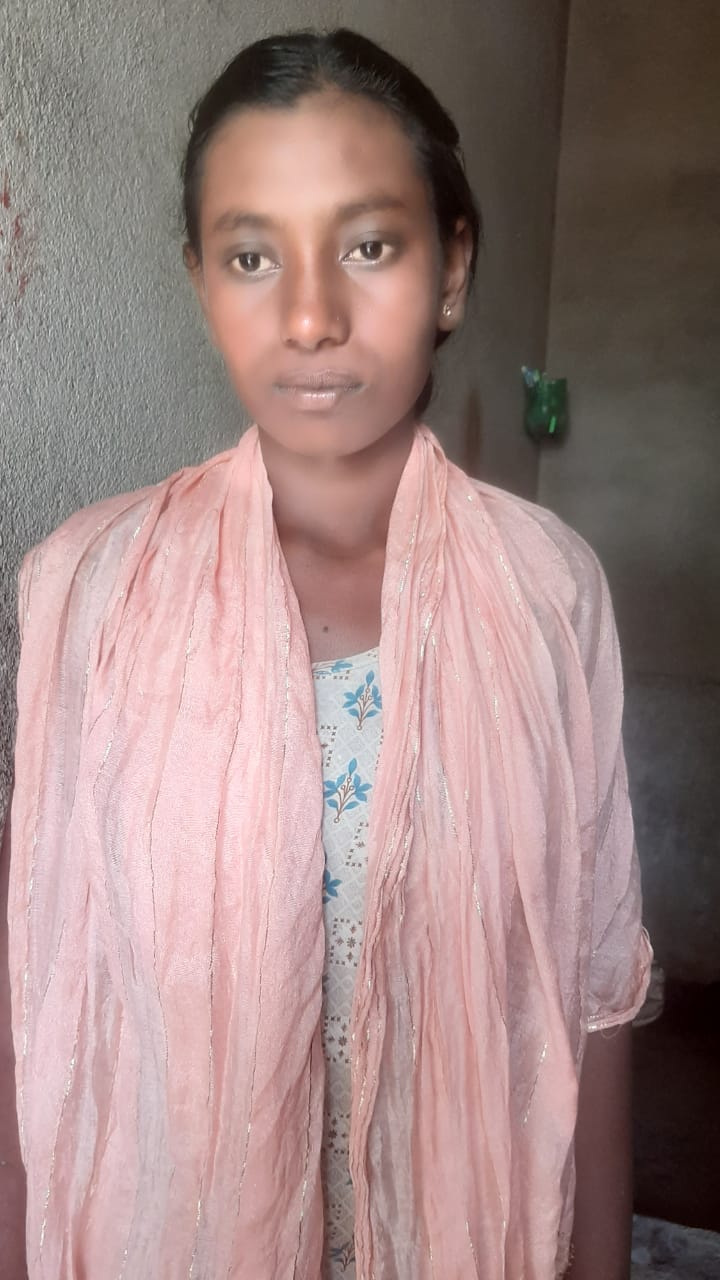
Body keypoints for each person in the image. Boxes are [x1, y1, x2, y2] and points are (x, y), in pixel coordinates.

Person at [1, 28, 652, 1280]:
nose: (309, 316)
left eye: (369, 246)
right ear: (201, 283)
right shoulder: (88, 587)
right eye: (252, 256)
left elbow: (595, 983)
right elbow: (44, 982)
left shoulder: (547, 588)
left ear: (452, 271)